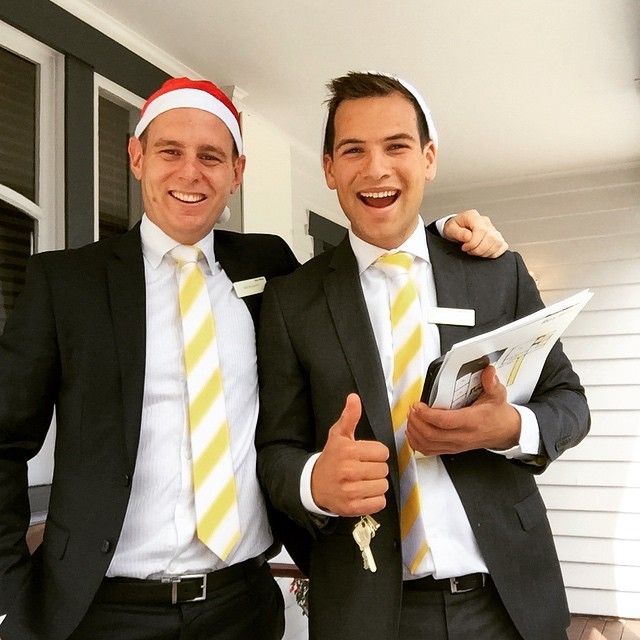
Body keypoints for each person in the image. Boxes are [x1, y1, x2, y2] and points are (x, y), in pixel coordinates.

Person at [0, 76, 507, 640]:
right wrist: (7, 595)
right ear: (137, 157)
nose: (191, 173)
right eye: (170, 151)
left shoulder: (268, 267)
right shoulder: (66, 284)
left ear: (236, 173)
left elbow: (363, 271)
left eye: (211, 156)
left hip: (241, 606)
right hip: (102, 611)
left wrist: (439, 236)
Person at [255, 71, 590, 640]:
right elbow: (274, 451)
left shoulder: (495, 272)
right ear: (329, 168)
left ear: (428, 158)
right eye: (353, 150)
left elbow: (570, 403)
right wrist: (315, 480)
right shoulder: (292, 301)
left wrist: (510, 427)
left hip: (507, 602)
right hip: (367, 613)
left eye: (397, 146)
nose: (376, 168)